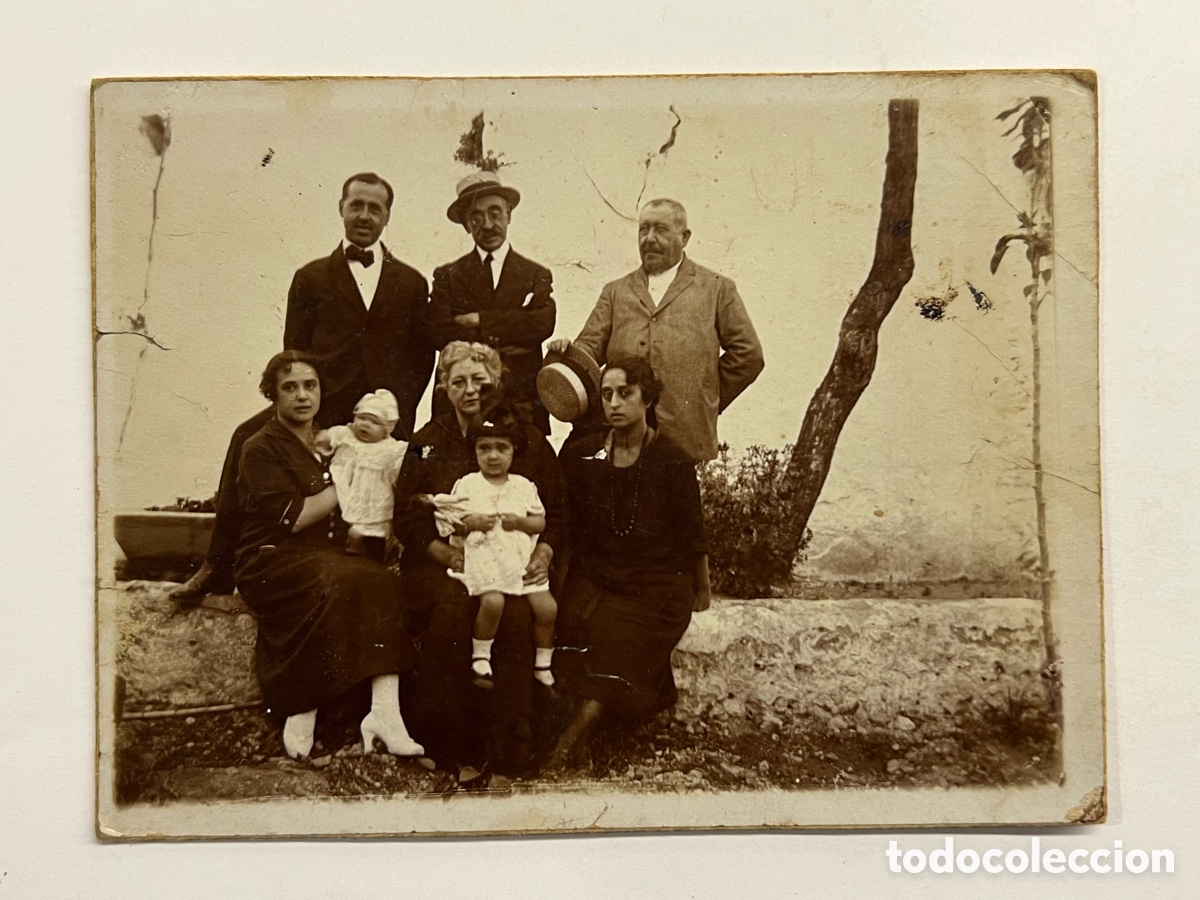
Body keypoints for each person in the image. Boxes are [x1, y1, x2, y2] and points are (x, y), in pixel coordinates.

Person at [171, 172, 434, 603]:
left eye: (375, 208)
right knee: (244, 436)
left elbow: (422, 358)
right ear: (341, 208)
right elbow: (293, 352)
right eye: (356, 205)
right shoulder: (310, 277)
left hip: (380, 416)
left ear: (388, 216)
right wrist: (305, 409)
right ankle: (218, 564)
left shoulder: (411, 282)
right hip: (322, 405)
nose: (364, 215)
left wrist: (392, 413)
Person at [393, 342, 568, 789]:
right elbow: (408, 519)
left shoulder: (527, 441)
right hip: (446, 564)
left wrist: (543, 553)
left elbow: (559, 515)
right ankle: (451, 749)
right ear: (445, 388)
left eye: (479, 380)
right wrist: (445, 553)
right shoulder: (425, 443)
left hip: (515, 563)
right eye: (458, 382)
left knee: (515, 616)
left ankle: (511, 755)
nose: (470, 390)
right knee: (452, 610)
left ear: (496, 381)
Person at [234, 351, 422, 761]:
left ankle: (385, 714)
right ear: (272, 394)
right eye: (290, 387)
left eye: (310, 385)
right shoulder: (262, 446)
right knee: (342, 580)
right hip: (270, 557)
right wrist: (350, 476)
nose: (302, 396)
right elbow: (295, 518)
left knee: (382, 578)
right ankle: (302, 708)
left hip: (321, 554)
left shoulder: (331, 437)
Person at [547, 357, 706, 771]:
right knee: (568, 621)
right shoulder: (585, 454)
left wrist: (699, 593)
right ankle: (572, 724)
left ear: (647, 398)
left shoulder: (672, 459)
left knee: (617, 634)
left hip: (656, 580)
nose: (614, 403)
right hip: (598, 572)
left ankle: (572, 738)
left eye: (626, 393)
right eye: (606, 394)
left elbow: (693, 536)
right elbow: (568, 524)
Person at [548, 197, 764, 462]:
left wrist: (704, 400)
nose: (649, 238)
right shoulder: (616, 292)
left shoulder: (717, 288)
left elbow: (748, 356)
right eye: (643, 229)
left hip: (682, 437)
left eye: (660, 229)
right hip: (620, 437)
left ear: (684, 237)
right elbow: (589, 350)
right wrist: (568, 353)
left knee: (675, 501)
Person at [429, 410, 558, 689]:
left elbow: (540, 521)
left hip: (519, 560)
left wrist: (522, 522)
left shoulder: (523, 486)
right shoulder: (468, 485)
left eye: (502, 448)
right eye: (484, 448)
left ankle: (543, 662)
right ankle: (481, 655)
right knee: (493, 603)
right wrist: (470, 523)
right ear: (474, 452)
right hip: (485, 557)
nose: (493, 456)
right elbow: (450, 524)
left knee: (547, 609)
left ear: (513, 452)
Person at [428, 173, 556, 434]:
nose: (487, 224)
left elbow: (542, 324)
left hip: (521, 403)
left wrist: (481, 320)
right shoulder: (447, 276)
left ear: (509, 214)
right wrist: (513, 327)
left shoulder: (535, 274)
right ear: (465, 223)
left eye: (495, 212)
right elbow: (440, 331)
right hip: (462, 403)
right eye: (476, 216)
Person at [315, 389, 407, 561]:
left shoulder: (390, 448)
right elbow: (324, 439)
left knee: (374, 531)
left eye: (374, 422)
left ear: (386, 430)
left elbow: (408, 457)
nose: (365, 424)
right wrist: (324, 441)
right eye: (362, 418)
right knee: (341, 529)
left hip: (373, 498)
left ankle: (376, 556)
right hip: (343, 491)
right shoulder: (346, 435)